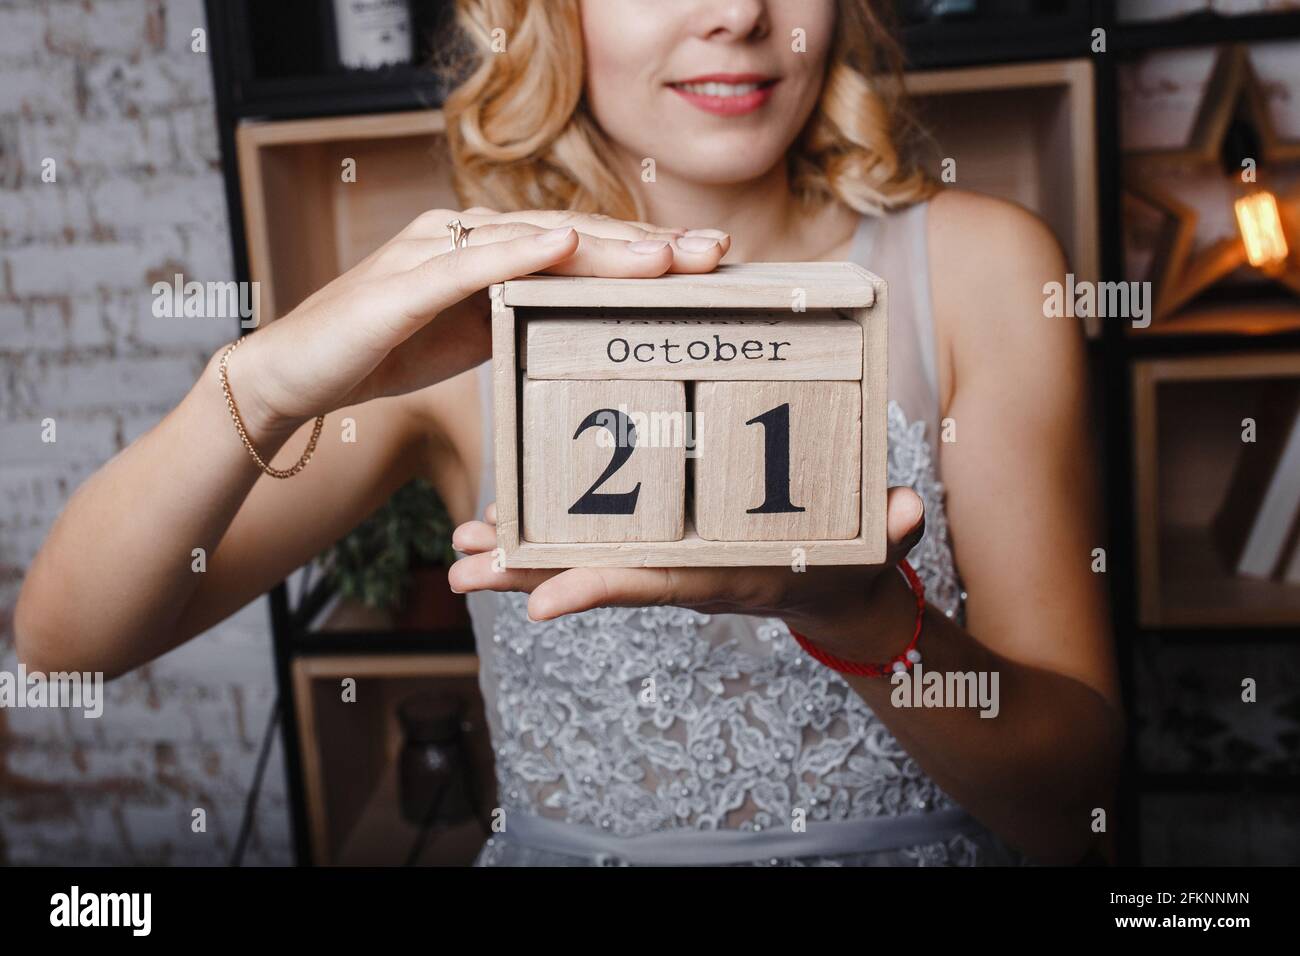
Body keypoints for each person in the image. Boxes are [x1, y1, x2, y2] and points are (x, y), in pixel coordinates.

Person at [15, 0, 1122, 866]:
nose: (736, 12)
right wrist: (259, 378)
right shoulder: (466, 316)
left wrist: (868, 618)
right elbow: (69, 643)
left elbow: (1074, 807)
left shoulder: (980, 265)